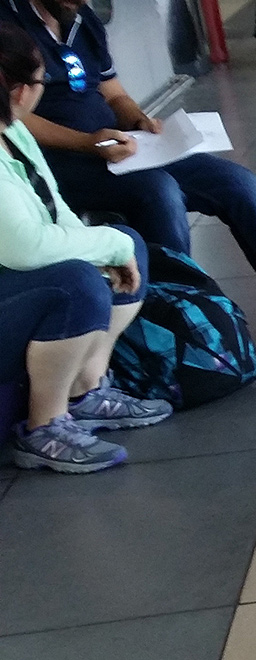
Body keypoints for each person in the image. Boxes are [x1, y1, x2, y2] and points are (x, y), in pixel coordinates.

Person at [3, 0, 256, 335]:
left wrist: (139, 121)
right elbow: (11, 115)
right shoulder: (10, 25)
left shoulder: (83, 18)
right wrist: (87, 143)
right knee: (159, 191)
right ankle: (181, 319)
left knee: (236, 182)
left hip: (119, 148)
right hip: (58, 163)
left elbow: (112, 93)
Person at [0, 23, 170, 473]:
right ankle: (44, 426)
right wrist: (106, 246)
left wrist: (108, 248)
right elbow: (25, 248)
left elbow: (54, 210)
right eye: (41, 83)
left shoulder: (12, 131)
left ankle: (87, 391)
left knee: (127, 246)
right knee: (77, 283)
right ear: (20, 91)